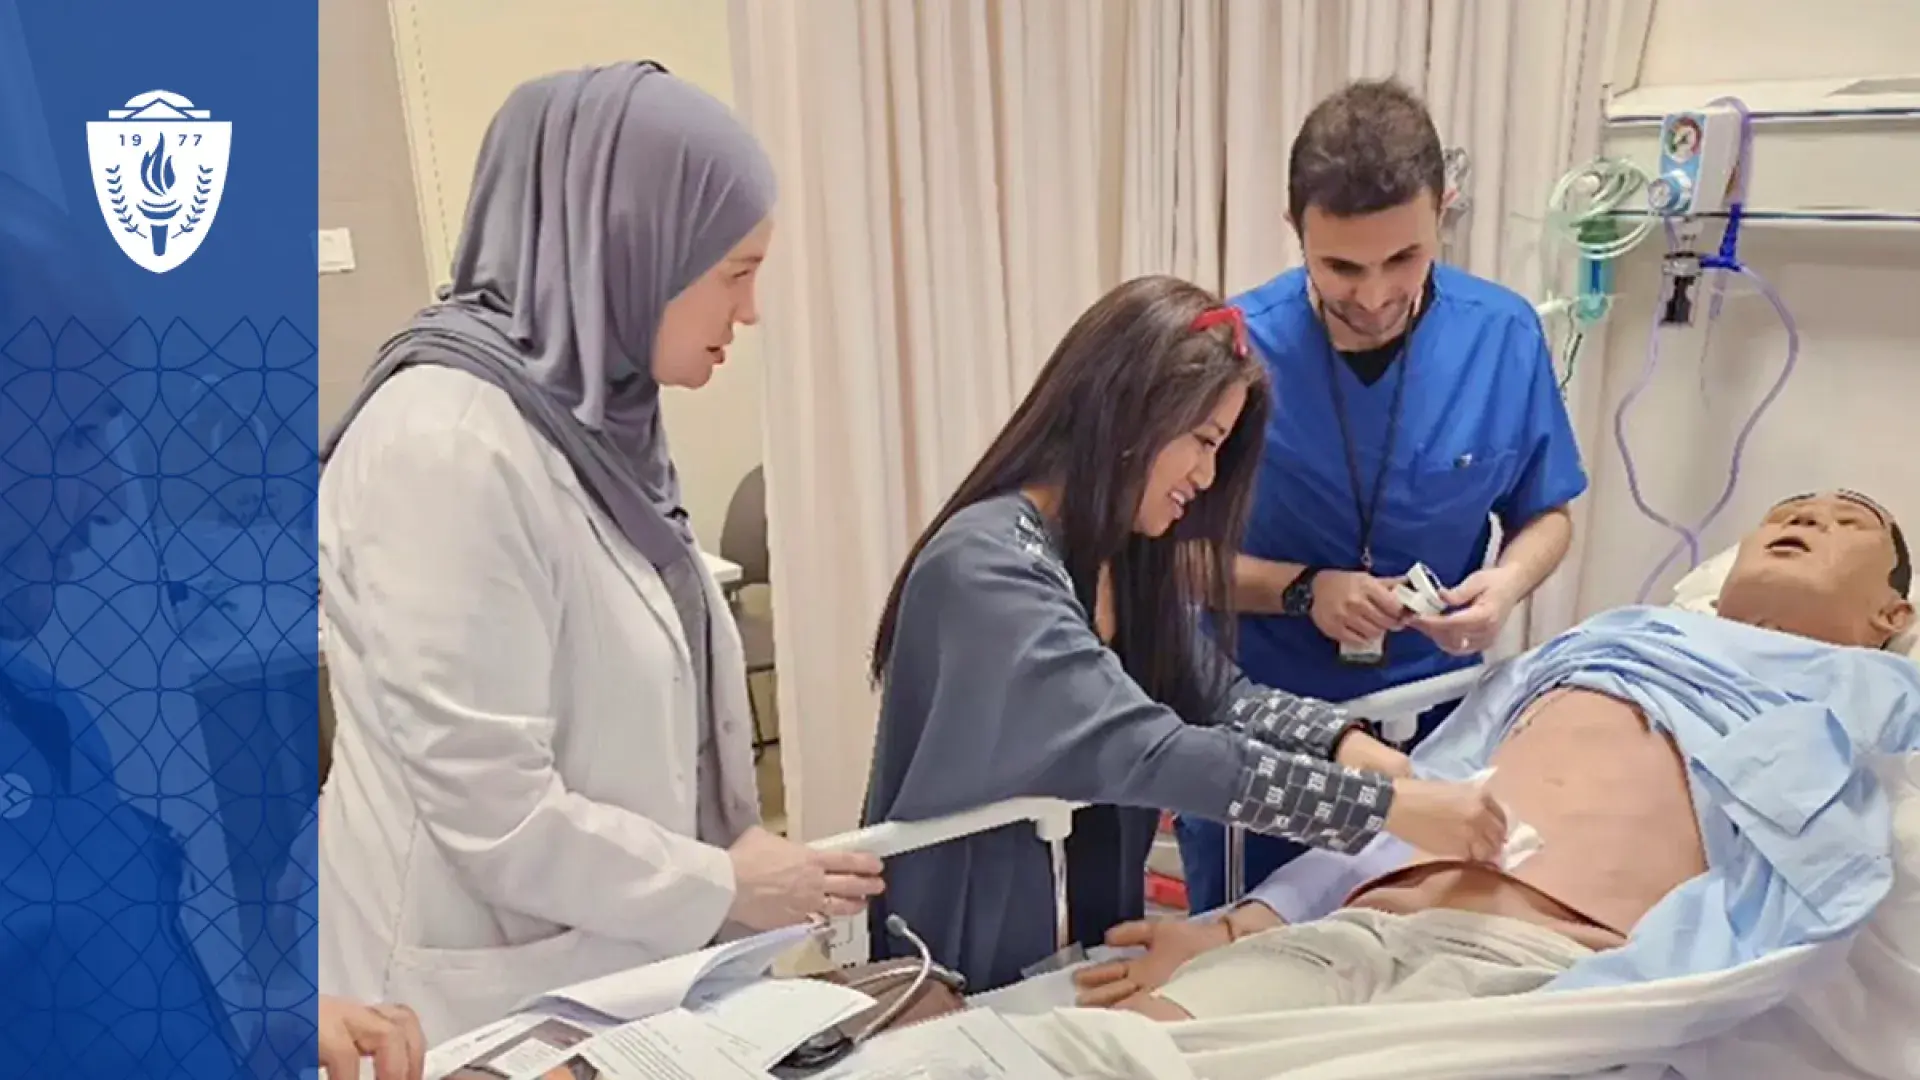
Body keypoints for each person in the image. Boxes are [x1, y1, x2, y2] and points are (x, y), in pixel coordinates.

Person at [315, 62, 883, 1043]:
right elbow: (494, 809)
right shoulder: (447, 445)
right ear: (628, 250)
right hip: (465, 992)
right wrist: (725, 880)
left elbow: (641, 701)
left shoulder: (599, 425)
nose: (749, 314)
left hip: (606, 965)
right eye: (735, 274)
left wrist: (731, 842)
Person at [861, 275, 1513, 993]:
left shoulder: (1120, 556)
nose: (1206, 475)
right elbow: (1149, 748)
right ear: (1131, 416)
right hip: (959, 940)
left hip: (1079, 934)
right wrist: (1386, 808)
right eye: (1202, 442)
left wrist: (1362, 752)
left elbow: (1222, 697)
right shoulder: (986, 567)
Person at [1077, 490, 1916, 1019]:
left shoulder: (1875, 693)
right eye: (1794, 511)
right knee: (1123, 1048)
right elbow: (1424, 792)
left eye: (1850, 525)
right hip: (1365, 927)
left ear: (1894, 618)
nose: (1809, 519)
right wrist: (1237, 924)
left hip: (1530, 973)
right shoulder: (1598, 639)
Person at [1176, 78, 1591, 912]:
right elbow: (1165, 555)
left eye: (1403, 259)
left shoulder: (1502, 335)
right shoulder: (1232, 348)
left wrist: (1502, 589)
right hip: (1270, 723)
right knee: (1249, 949)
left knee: (1410, 937)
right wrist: (1301, 590)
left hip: (1435, 718)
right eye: (1339, 267)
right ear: (1295, 230)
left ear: (1445, 211)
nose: (1371, 296)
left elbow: (1547, 514)